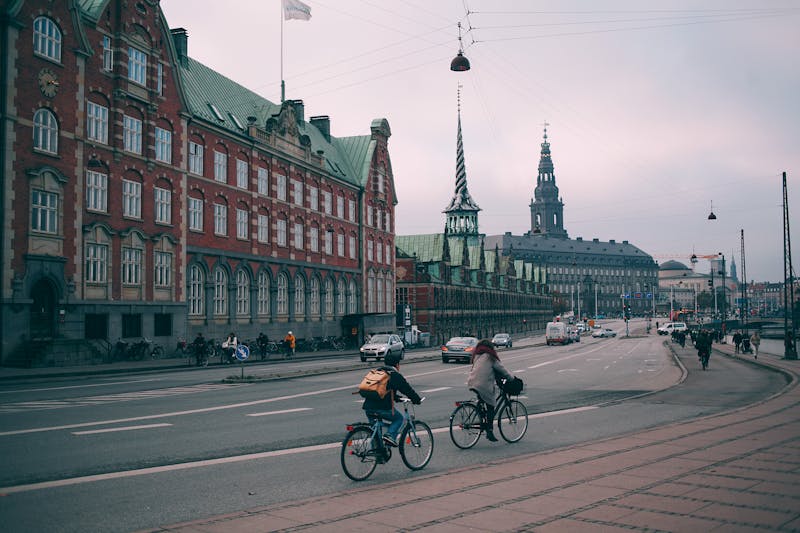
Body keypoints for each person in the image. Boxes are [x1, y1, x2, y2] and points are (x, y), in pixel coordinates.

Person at [361, 351, 421, 447]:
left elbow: (383, 391)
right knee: (399, 419)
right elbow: (407, 390)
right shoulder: (394, 375)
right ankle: (390, 436)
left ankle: (378, 454)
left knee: (375, 432)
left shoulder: (378, 372)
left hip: (368, 407)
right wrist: (417, 400)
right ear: (397, 365)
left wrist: (396, 398)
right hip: (382, 408)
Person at [467, 339, 515, 442]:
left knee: (483, 400)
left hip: (472, 382)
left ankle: (481, 416)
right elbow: (502, 370)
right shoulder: (490, 356)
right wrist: (512, 378)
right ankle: (489, 430)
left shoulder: (477, 355)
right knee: (491, 406)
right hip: (483, 385)